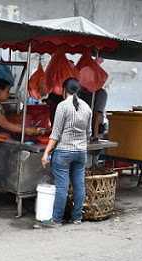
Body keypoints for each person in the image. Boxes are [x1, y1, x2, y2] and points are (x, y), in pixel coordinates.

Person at [41, 78, 92, 227]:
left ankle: (56, 220)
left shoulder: (62, 106)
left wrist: (46, 153)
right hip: (81, 152)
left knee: (62, 186)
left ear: (64, 90)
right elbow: (88, 133)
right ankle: (77, 218)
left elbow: (55, 134)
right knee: (79, 185)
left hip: (64, 152)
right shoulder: (87, 107)